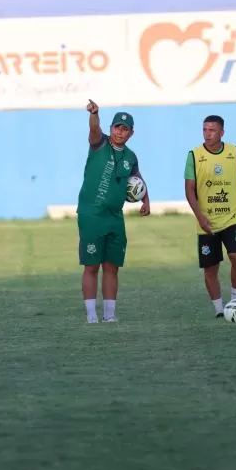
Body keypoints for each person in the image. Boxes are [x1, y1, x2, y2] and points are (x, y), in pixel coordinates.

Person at [77, 99, 150, 324]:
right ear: (111, 128)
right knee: (91, 265)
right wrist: (94, 114)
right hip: (92, 214)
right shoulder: (99, 143)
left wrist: (146, 200)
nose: (120, 131)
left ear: (131, 133)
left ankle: (109, 315)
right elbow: (93, 129)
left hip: (115, 217)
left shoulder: (130, 156)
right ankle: (91, 315)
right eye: (117, 127)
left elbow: (137, 178)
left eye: (124, 129)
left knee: (112, 267)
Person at [183, 115, 236, 318]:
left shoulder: (234, 151)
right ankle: (218, 310)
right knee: (210, 268)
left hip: (231, 218)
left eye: (212, 130)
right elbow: (189, 191)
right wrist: (200, 217)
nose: (207, 134)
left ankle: (235, 300)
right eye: (205, 130)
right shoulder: (194, 155)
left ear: (222, 132)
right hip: (207, 222)